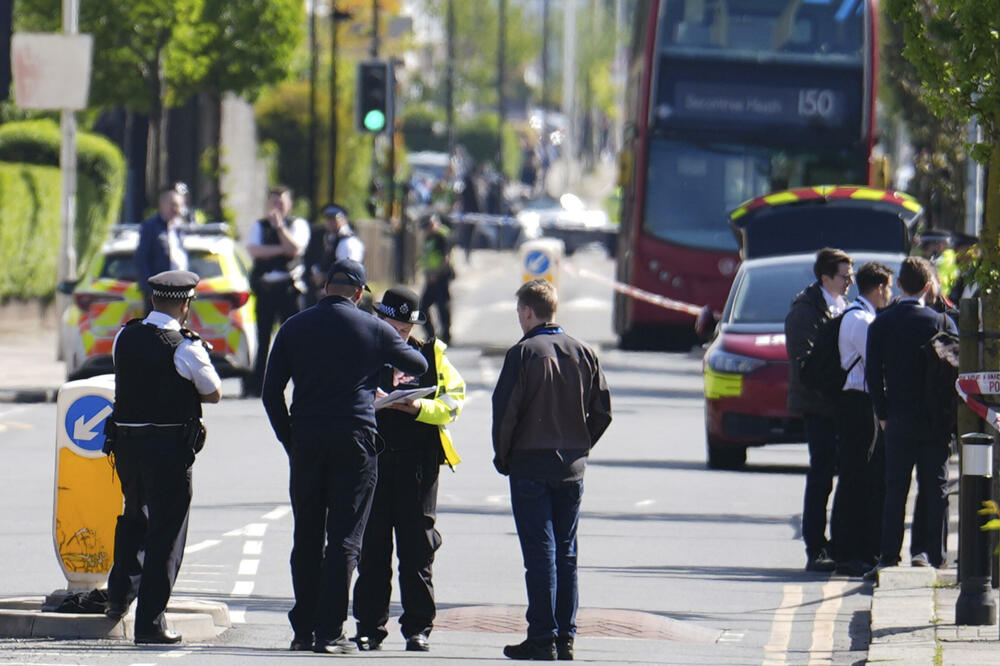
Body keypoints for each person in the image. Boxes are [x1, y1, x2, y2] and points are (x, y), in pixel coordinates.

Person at [261, 259, 428, 655]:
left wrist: (290, 439)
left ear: (324, 288)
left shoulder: (294, 326)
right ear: (358, 294)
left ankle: (303, 628)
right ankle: (329, 632)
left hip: (306, 439)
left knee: (306, 535)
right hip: (355, 440)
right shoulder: (373, 329)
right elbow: (418, 364)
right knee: (345, 539)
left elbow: (271, 394)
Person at [492, 279, 612, 661]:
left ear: (528, 312)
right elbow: (603, 411)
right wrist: (580, 444)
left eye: (519, 314)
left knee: (540, 552)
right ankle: (566, 636)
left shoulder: (524, 353)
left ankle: (542, 635)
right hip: (571, 468)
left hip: (530, 463)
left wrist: (504, 456)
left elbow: (505, 414)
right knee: (567, 551)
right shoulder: (584, 352)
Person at [103, 270, 222, 644]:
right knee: (166, 534)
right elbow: (213, 391)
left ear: (153, 299)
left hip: (126, 448)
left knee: (134, 515)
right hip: (168, 451)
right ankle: (150, 623)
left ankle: (118, 597)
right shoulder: (185, 346)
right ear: (186, 305)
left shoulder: (125, 335)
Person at [352, 287, 465, 653]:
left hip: (419, 462)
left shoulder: (432, 354)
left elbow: (452, 402)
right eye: (392, 325)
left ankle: (418, 627)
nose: (398, 333)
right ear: (379, 318)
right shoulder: (364, 351)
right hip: (374, 459)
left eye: (405, 327)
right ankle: (369, 626)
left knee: (417, 549)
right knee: (373, 548)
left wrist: (417, 409)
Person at [865, 256, 956, 580]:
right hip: (935, 420)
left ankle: (889, 555)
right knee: (935, 488)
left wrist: (883, 413)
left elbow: (873, 374)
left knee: (895, 489)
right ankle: (932, 554)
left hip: (899, 417)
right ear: (929, 286)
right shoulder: (941, 324)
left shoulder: (881, 324)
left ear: (899, 285)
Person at [784, 247, 854, 572]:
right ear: (825, 277)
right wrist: (837, 384)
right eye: (844, 275)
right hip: (819, 404)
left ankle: (839, 543)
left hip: (840, 403)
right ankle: (815, 545)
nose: (849, 281)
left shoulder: (842, 305)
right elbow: (805, 365)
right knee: (821, 473)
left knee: (843, 473)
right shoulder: (805, 310)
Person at [830, 261, 895, 577]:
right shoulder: (862, 320)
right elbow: (879, 363)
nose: (890, 294)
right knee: (856, 476)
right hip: (857, 402)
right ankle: (847, 550)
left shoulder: (863, 317)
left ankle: (854, 548)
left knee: (862, 474)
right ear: (880, 287)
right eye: (889, 288)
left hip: (860, 401)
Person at [245, 186, 311, 397]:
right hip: (265, 289)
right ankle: (257, 385)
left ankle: (300, 384)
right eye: (274, 202)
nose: (277, 207)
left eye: (281, 203)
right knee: (262, 337)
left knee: (294, 338)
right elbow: (254, 250)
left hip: (289, 289)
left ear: (289, 204)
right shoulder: (259, 226)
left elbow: (295, 249)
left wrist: (280, 229)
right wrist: (281, 250)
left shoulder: (297, 224)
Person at [135, 189, 189, 313]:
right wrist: (150, 289)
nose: (177, 209)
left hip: (178, 293)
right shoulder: (151, 227)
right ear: (162, 205)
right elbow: (141, 259)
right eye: (173, 204)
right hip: (159, 295)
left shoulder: (178, 228)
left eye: (179, 205)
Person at [304, 203, 365, 306]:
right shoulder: (327, 237)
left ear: (344, 219)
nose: (330, 222)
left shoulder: (348, 242)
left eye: (334, 218)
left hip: (341, 297)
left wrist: (323, 279)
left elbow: (349, 272)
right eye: (328, 219)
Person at [419, 214, 455, 344]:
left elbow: (446, 258)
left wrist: (436, 274)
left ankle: (445, 335)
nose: (427, 230)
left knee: (442, 306)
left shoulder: (441, 237)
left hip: (440, 277)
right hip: (431, 277)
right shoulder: (429, 238)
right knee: (423, 307)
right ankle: (431, 335)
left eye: (429, 226)